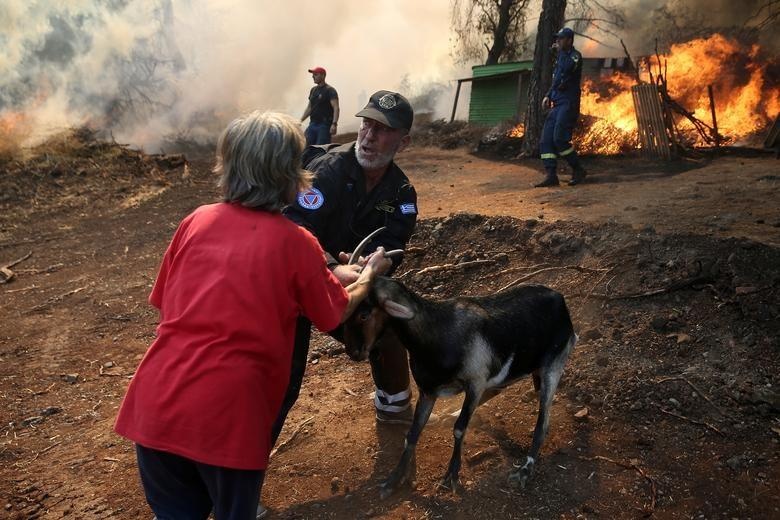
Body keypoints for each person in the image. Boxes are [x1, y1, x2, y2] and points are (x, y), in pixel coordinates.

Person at [114, 111, 390, 520]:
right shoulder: (297, 243)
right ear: (287, 173)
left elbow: (167, 303)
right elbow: (334, 313)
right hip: (229, 417)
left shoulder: (195, 221)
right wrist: (366, 278)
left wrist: (325, 273)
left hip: (156, 405)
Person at [276, 90, 418, 440]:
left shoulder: (401, 192)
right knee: (283, 381)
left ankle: (394, 409)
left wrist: (381, 261)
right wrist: (328, 266)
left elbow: (396, 241)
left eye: (382, 130)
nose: (369, 136)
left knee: (388, 323)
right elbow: (293, 227)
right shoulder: (328, 170)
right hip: (294, 285)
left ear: (403, 140)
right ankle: (240, 479)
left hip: (347, 288)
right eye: (366, 124)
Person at [536, 27, 587, 187]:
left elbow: (567, 69)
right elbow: (557, 80)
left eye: (561, 38)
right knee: (546, 140)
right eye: (557, 38)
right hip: (557, 104)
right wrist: (548, 95)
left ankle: (578, 170)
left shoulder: (575, 57)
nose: (558, 41)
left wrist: (559, 53)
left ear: (570, 40)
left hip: (568, 104)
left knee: (560, 139)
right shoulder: (561, 57)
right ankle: (551, 175)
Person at [301, 66, 339, 146]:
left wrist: (334, 124)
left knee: (320, 149)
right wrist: (300, 121)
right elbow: (309, 108)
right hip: (313, 124)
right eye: (313, 75)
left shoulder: (330, 90)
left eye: (315, 74)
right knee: (306, 147)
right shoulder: (313, 90)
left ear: (323, 75)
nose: (313, 76)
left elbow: (336, 107)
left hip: (324, 125)